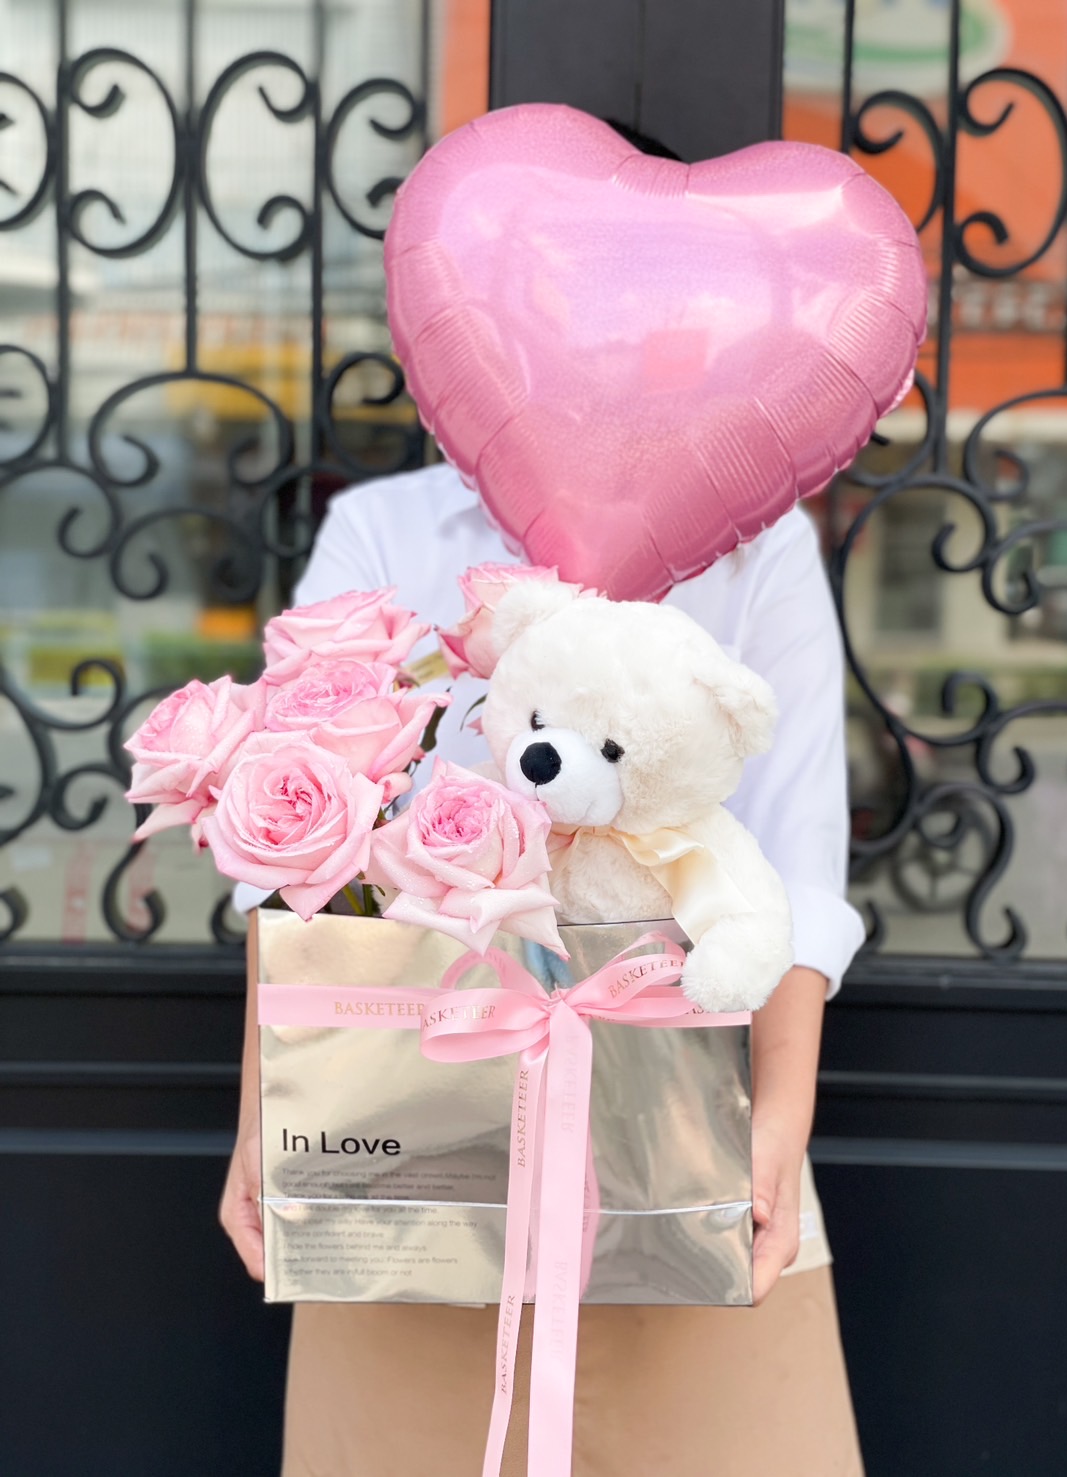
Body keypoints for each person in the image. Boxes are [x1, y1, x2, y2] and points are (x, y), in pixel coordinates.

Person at [222, 459, 868, 1475]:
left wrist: (779, 1128)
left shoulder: (758, 536)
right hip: (412, 1147)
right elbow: (292, 848)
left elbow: (796, 864)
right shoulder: (386, 525)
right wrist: (264, 1108)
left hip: (694, 1134)